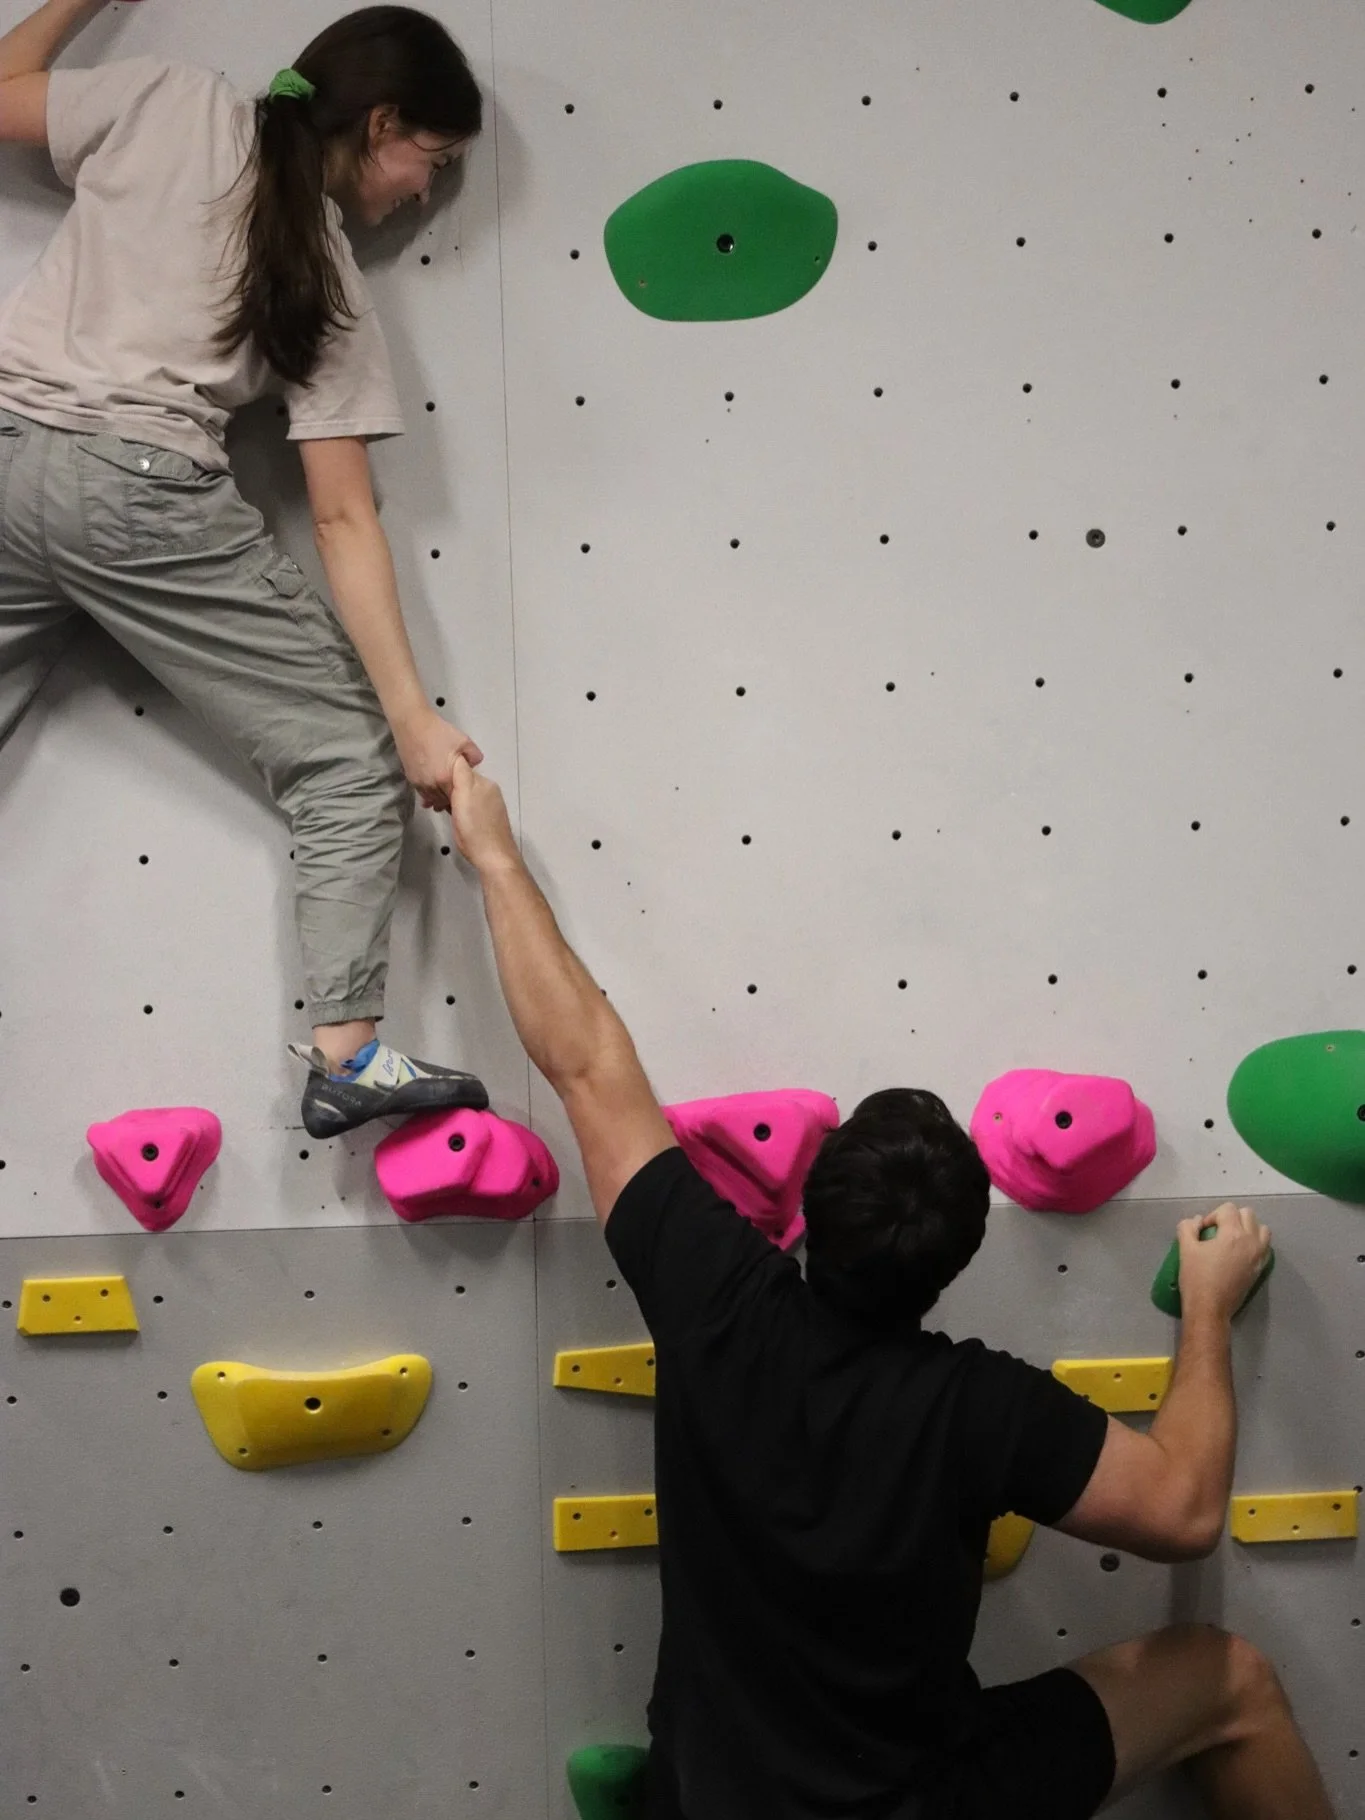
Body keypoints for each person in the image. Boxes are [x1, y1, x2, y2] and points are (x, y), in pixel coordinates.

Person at [445, 751, 1335, 1820]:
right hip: (923, 1800)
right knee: (1228, 1678)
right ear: (955, 1261)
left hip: (711, 1803)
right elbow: (1186, 1507)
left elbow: (585, 1059)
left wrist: (490, 848)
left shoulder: (716, 1293)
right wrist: (1205, 1301)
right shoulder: (977, 1407)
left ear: (807, 1210)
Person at [0, 1, 491, 1136]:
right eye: (434, 160)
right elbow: (344, 520)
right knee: (346, 762)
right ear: (381, 124)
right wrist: (413, 720)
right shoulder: (322, 272)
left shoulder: (162, 99)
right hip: (135, 494)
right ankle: (346, 1054)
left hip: (7, 444)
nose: (425, 192)